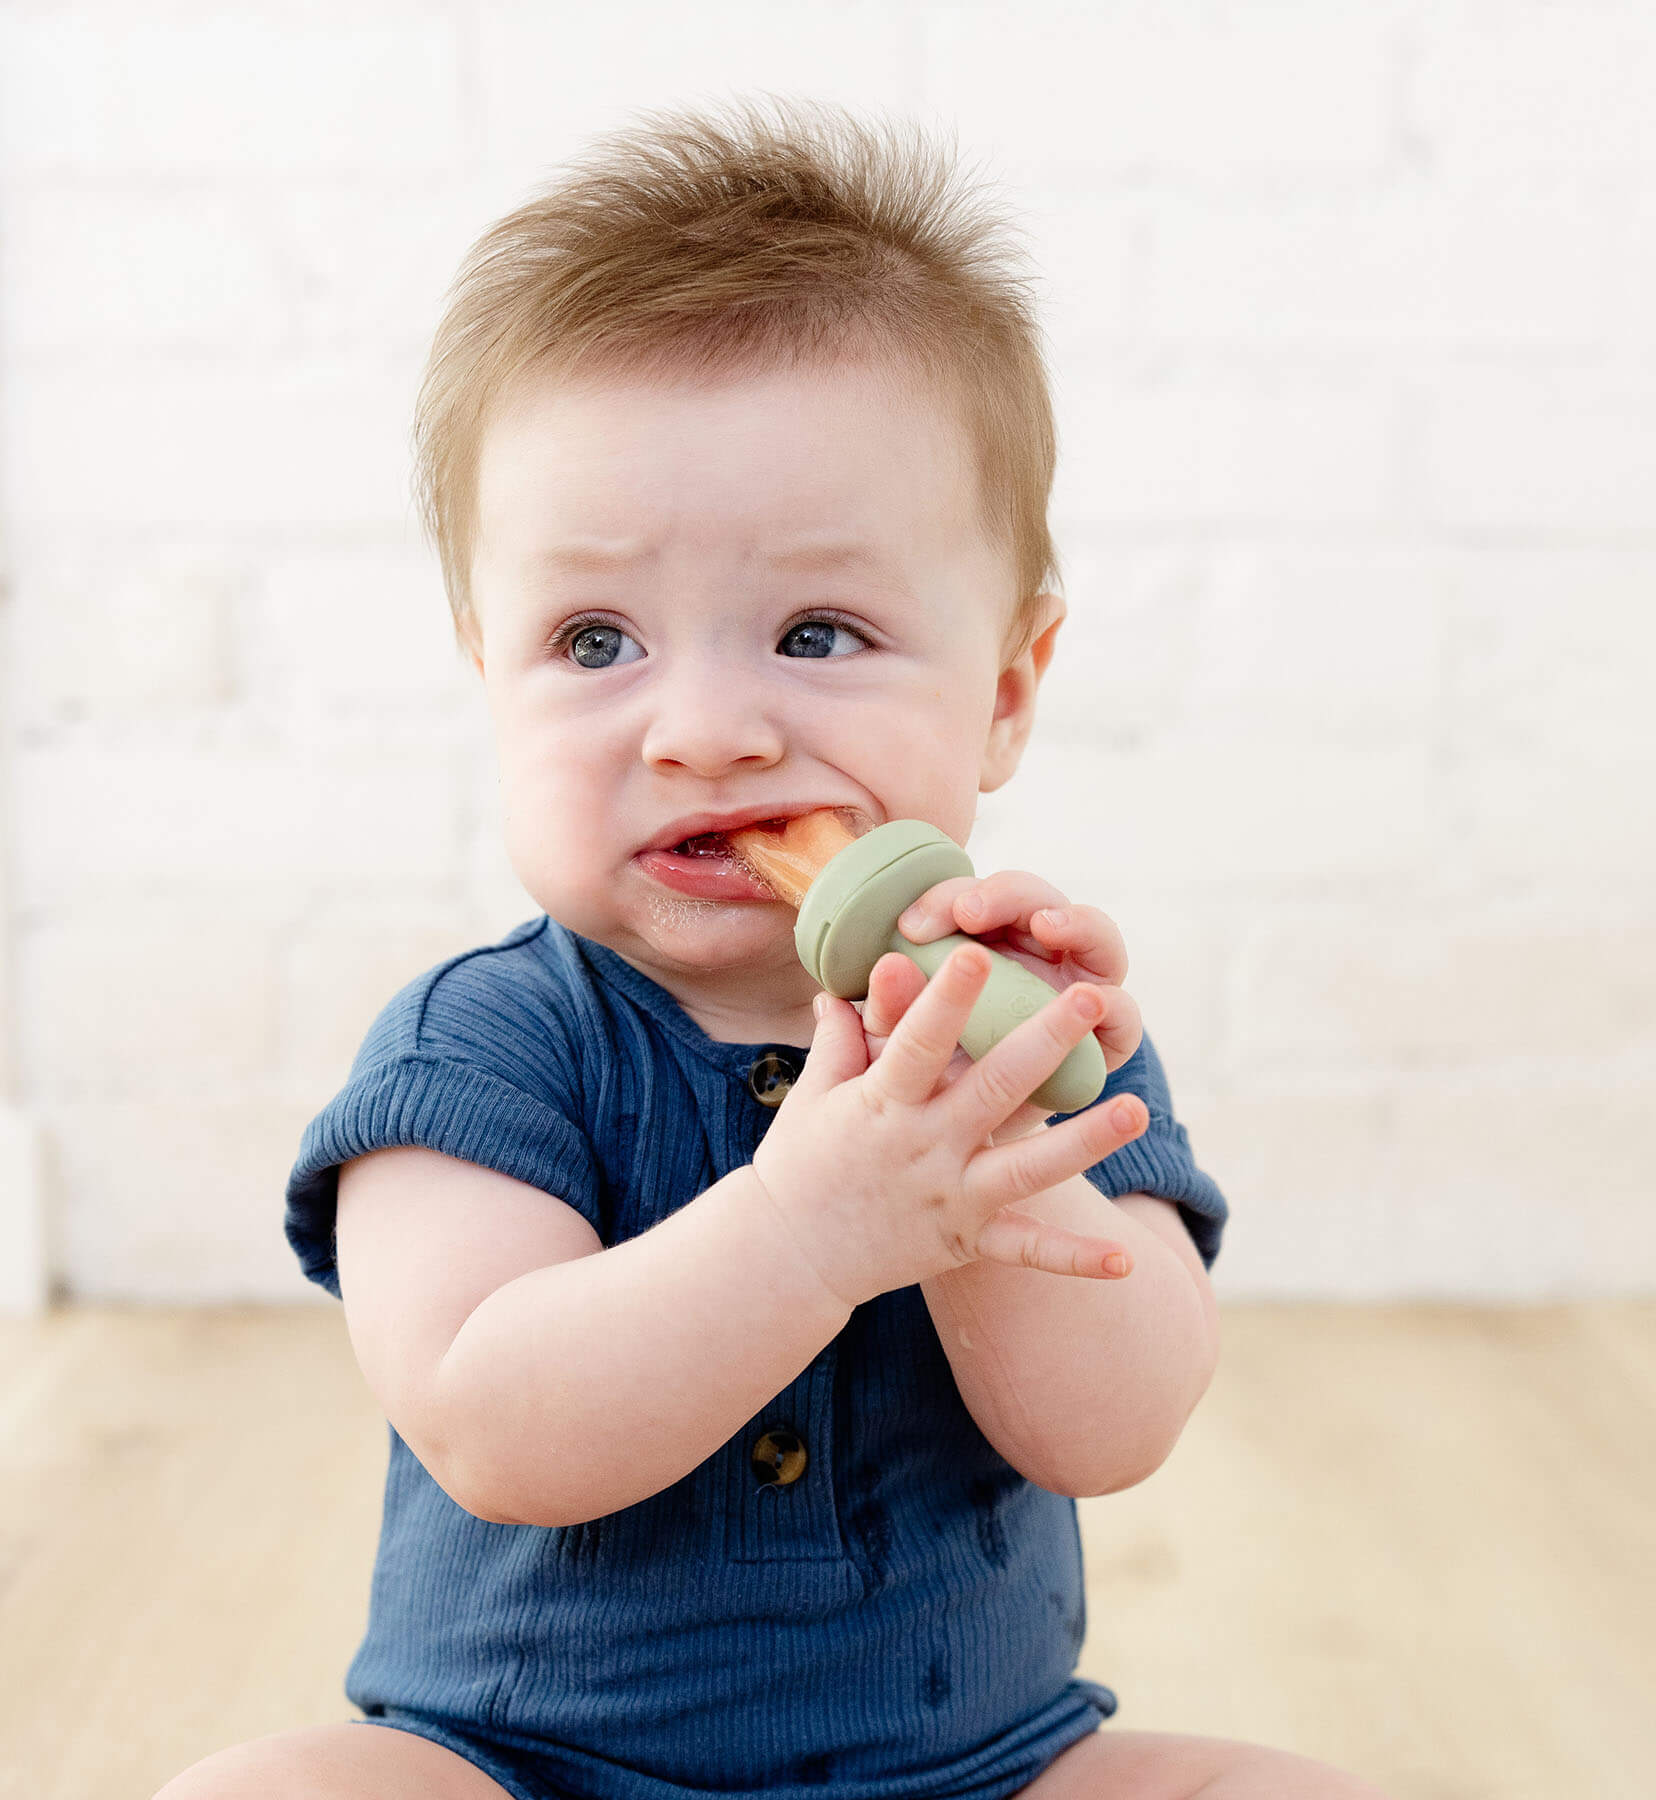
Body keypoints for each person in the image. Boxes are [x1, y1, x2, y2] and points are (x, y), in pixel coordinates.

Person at [157, 99, 1387, 1800]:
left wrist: (985, 1153)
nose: (710, 729)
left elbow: (1112, 1428)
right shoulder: (481, 1047)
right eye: (596, 639)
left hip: (975, 1770)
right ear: (485, 673)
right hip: (522, 1771)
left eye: (818, 632)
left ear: (1007, 691)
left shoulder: (1030, 1027)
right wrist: (817, 1227)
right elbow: (497, 1427)